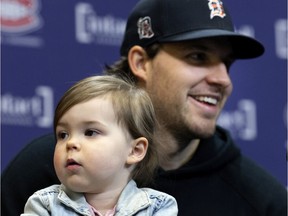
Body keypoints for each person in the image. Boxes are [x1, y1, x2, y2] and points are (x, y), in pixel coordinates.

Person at [2, 0, 287, 215]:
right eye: (198, 56)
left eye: (227, 63)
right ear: (140, 63)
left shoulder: (262, 202)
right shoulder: (47, 168)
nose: (223, 80)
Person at [21, 75, 178, 216]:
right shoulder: (44, 205)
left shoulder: (158, 207)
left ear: (134, 150)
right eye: (63, 135)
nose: (71, 143)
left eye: (90, 132)